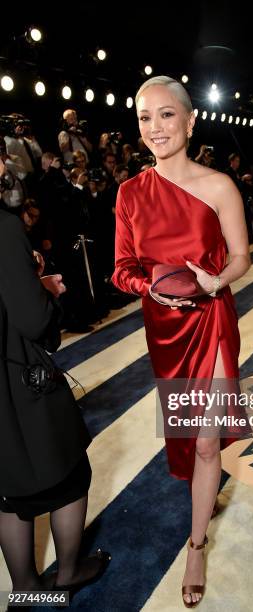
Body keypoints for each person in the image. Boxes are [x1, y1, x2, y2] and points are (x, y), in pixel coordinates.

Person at [112, 75, 251, 607]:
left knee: (209, 439)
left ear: (190, 121)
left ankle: (196, 545)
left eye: (166, 115)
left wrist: (220, 280)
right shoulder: (129, 193)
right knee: (188, 437)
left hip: (212, 319)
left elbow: (240, 256)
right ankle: (203, 496)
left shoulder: (220, 187)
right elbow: (123, 269)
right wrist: (152, 287)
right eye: (145, 117)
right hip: (165, 328)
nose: (155, 128)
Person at [0, 165, 110, 596]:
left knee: (9, 493)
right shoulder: (5, 228)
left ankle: (25, 587)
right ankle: (66, 573)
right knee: (70, 475)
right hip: (16, 379)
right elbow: (32, 320)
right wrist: (46, 291)